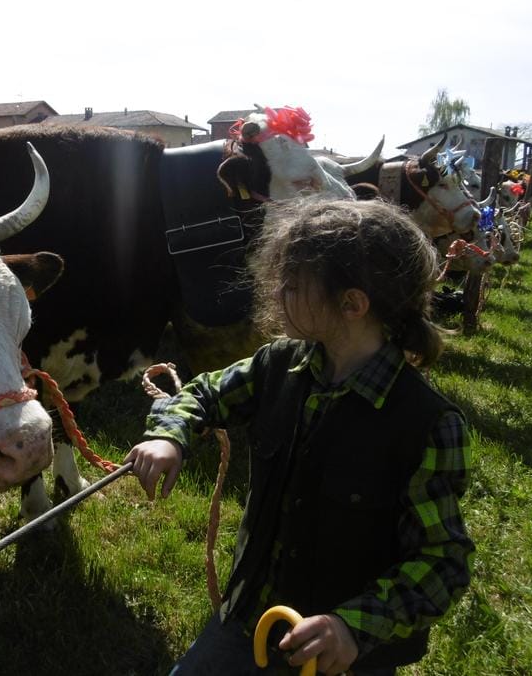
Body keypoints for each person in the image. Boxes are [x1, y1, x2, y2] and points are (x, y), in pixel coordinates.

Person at [125, 200, 474, 676]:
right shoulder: (278, 364)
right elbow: (204, 392)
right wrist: (170, 435)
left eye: (291, 285)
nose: (275, 291)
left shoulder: (429, 425)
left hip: (342, 658)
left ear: (352, 304)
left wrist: (353, 626)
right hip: (248, 622)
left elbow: (443, 561)